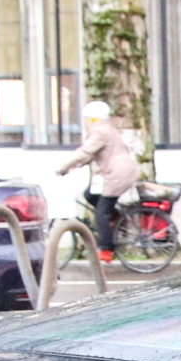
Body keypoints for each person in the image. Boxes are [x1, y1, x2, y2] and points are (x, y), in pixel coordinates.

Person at [57, 99, 139, 263]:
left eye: (88, 119)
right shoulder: (107, 129)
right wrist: (74, 168)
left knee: (101, 212)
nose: (86, 122)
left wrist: (62, 167)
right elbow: (91, 156)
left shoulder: (100, 132)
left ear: (93, 119)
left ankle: (107, 249)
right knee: (89, 195)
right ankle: (115, 220)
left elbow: (85, 151)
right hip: (120, 172)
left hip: (117, 174)